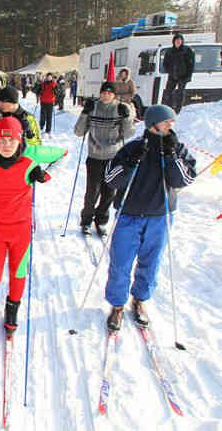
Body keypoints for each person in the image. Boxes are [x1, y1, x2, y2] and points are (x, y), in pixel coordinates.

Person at [0, 117, 66, 337]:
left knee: (18, 274)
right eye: (2, 140)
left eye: (12, 140)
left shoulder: (31, 157)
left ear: (20, 141)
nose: (6, 145)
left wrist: (45, 173)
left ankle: (12, 314)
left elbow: (63, 154)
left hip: (21, 232)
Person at [103, 105, 196, 331]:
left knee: (151, 263)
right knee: (121, 263)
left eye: (172, 122)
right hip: (129, 215)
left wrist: (172, 155)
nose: (170, 125)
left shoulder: (177, 148)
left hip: (159, 217)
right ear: (153, 123)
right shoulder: (133, 148)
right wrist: (130, 162)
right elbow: (111, 179)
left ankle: (140, 300)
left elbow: (183, 180)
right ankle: (117, 305)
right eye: (166, 121)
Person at [74, 82, 135, 236]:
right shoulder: (93, 107)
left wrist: (127, 117)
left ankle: (101, 221)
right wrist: (84, 113)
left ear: (114, 95)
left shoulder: (121, 108)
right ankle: (86, 221)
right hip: (94, 156)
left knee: (109, 193)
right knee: (92, 192)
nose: (106, 95)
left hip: (114, 158)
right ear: (100, 93)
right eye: (104, 92)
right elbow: (78, 131)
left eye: (110, 92)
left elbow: (128, 134)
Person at [161, 33, 194, 113]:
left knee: (180, 93)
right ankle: (169, 109)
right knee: (168, 92)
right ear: (174, 41)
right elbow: (165, 63)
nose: (178, 42)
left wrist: (188, 76)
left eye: (180, 40)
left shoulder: (187, 50)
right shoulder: (169, 51)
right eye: (176, 40)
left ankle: (178, 110)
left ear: (182, 41)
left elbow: (191, 64)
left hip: (183, 75)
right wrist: (169, 70)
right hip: (172, 75)